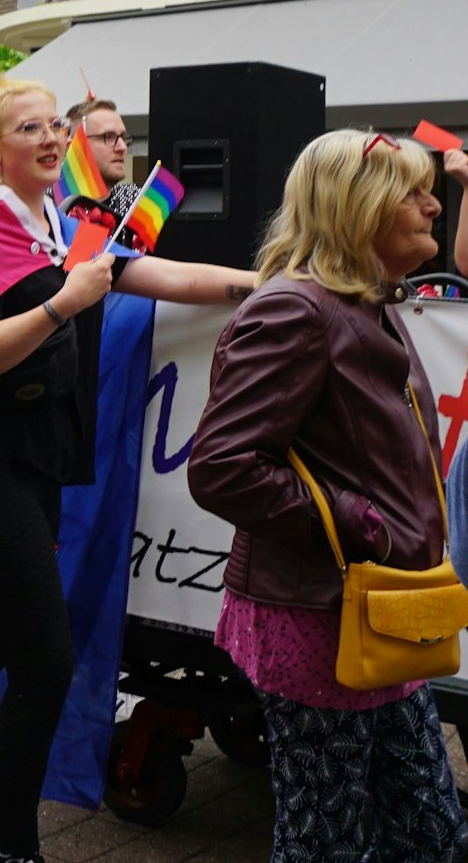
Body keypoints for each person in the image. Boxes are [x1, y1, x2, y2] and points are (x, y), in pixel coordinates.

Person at [0, 70, 256, 863]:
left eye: (52, 128)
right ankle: (18, 852)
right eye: (29, 129)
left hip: (29, 465)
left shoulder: (59, 225)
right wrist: (63, 303)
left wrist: (268, 285)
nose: (47, 139)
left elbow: (157, 276)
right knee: (45, 663)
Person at [189, 129, 468, 861]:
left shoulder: (365, 305)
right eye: (413, 190)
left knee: (429, 831)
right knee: (325, 841)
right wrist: (359, 524)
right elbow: (221, 465)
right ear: (359, 205)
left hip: (375, 612)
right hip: (320, 618)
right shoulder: (298, 311)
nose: (434, 205)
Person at [65, 97, 139, 222]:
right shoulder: (45, 207)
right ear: (74, 147)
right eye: (108, 137)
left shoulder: (136, 203)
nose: (122, 147)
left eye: (123, 137)